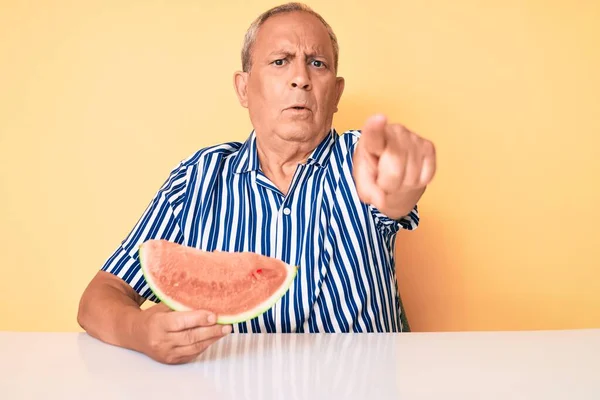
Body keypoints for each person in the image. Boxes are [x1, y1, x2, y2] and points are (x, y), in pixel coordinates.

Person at [77, 2, 436, 365]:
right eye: (280, 61)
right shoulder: (197, 178)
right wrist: (139, 331)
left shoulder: (361, 161)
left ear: (337, 93)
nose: (301, 78)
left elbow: (395, 193)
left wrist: (403, 172)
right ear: (244, 88)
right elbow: (98, 297)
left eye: (318, 63)